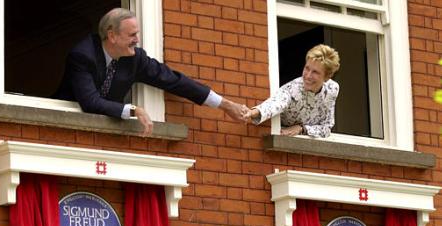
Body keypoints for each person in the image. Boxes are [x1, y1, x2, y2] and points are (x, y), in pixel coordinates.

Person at [55, 8, 248, 136]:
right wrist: (133, 110)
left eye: (137, 34)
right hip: (64, 130)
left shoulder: (134, 59)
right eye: (132, 35)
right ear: (112, 35)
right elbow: (90, 102)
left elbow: (175, 81)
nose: (137, 40)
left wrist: (225, 105)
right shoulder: (82, 55)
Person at [244, 44, 340, 138]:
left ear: (327, 77)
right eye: (307, 68)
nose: (308, 76)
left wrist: (301, 129)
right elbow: (275, 103)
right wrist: (252, 112)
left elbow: (326, 128)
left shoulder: (332, 89)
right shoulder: (292, 89)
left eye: (315, 72)